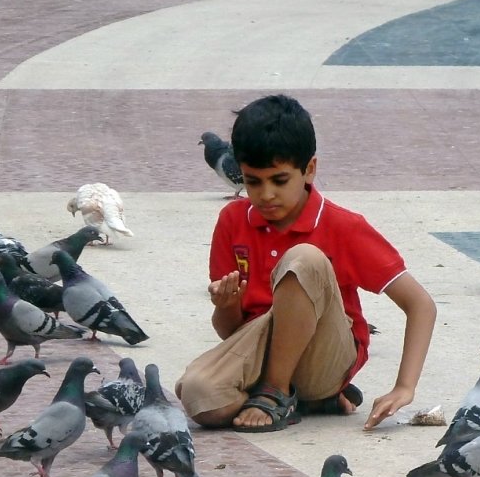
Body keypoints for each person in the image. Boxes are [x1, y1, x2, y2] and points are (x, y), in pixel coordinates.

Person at [176, 94, 436, 432]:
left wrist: (404, 387)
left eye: (279, 180)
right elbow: (232, 331)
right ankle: (303, 400)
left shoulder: (343, 226)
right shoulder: (232, 221)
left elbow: (421, 305)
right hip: (261, 348)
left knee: (304, 258)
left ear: (309, 170)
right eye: (253, 181)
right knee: (199, 397)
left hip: (324, 361)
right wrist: (226, 306)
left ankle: (278, 392)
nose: (266, 194)